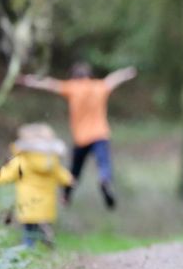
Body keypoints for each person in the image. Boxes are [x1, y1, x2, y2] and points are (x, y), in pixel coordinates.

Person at [17, 62, 137, 208]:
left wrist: (29, 80)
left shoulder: (73, 88)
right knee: (104, 163)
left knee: (75, 170)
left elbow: (50, 84)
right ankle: (104, 180)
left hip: (81, 138)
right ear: (89, 76)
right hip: (100, 134)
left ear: (74, 77)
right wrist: (127, 72)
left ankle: (66, 196)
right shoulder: (98, 86)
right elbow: (113, 79)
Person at [0, 123, 75, 247]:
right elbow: (65, 177)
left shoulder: (22, 160)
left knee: (29, 233)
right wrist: (70, 180)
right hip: (47, 205)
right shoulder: (52, 162)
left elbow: (2, 175)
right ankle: (45, 239)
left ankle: (30, 248)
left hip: (29, 205)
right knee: (42, 225)